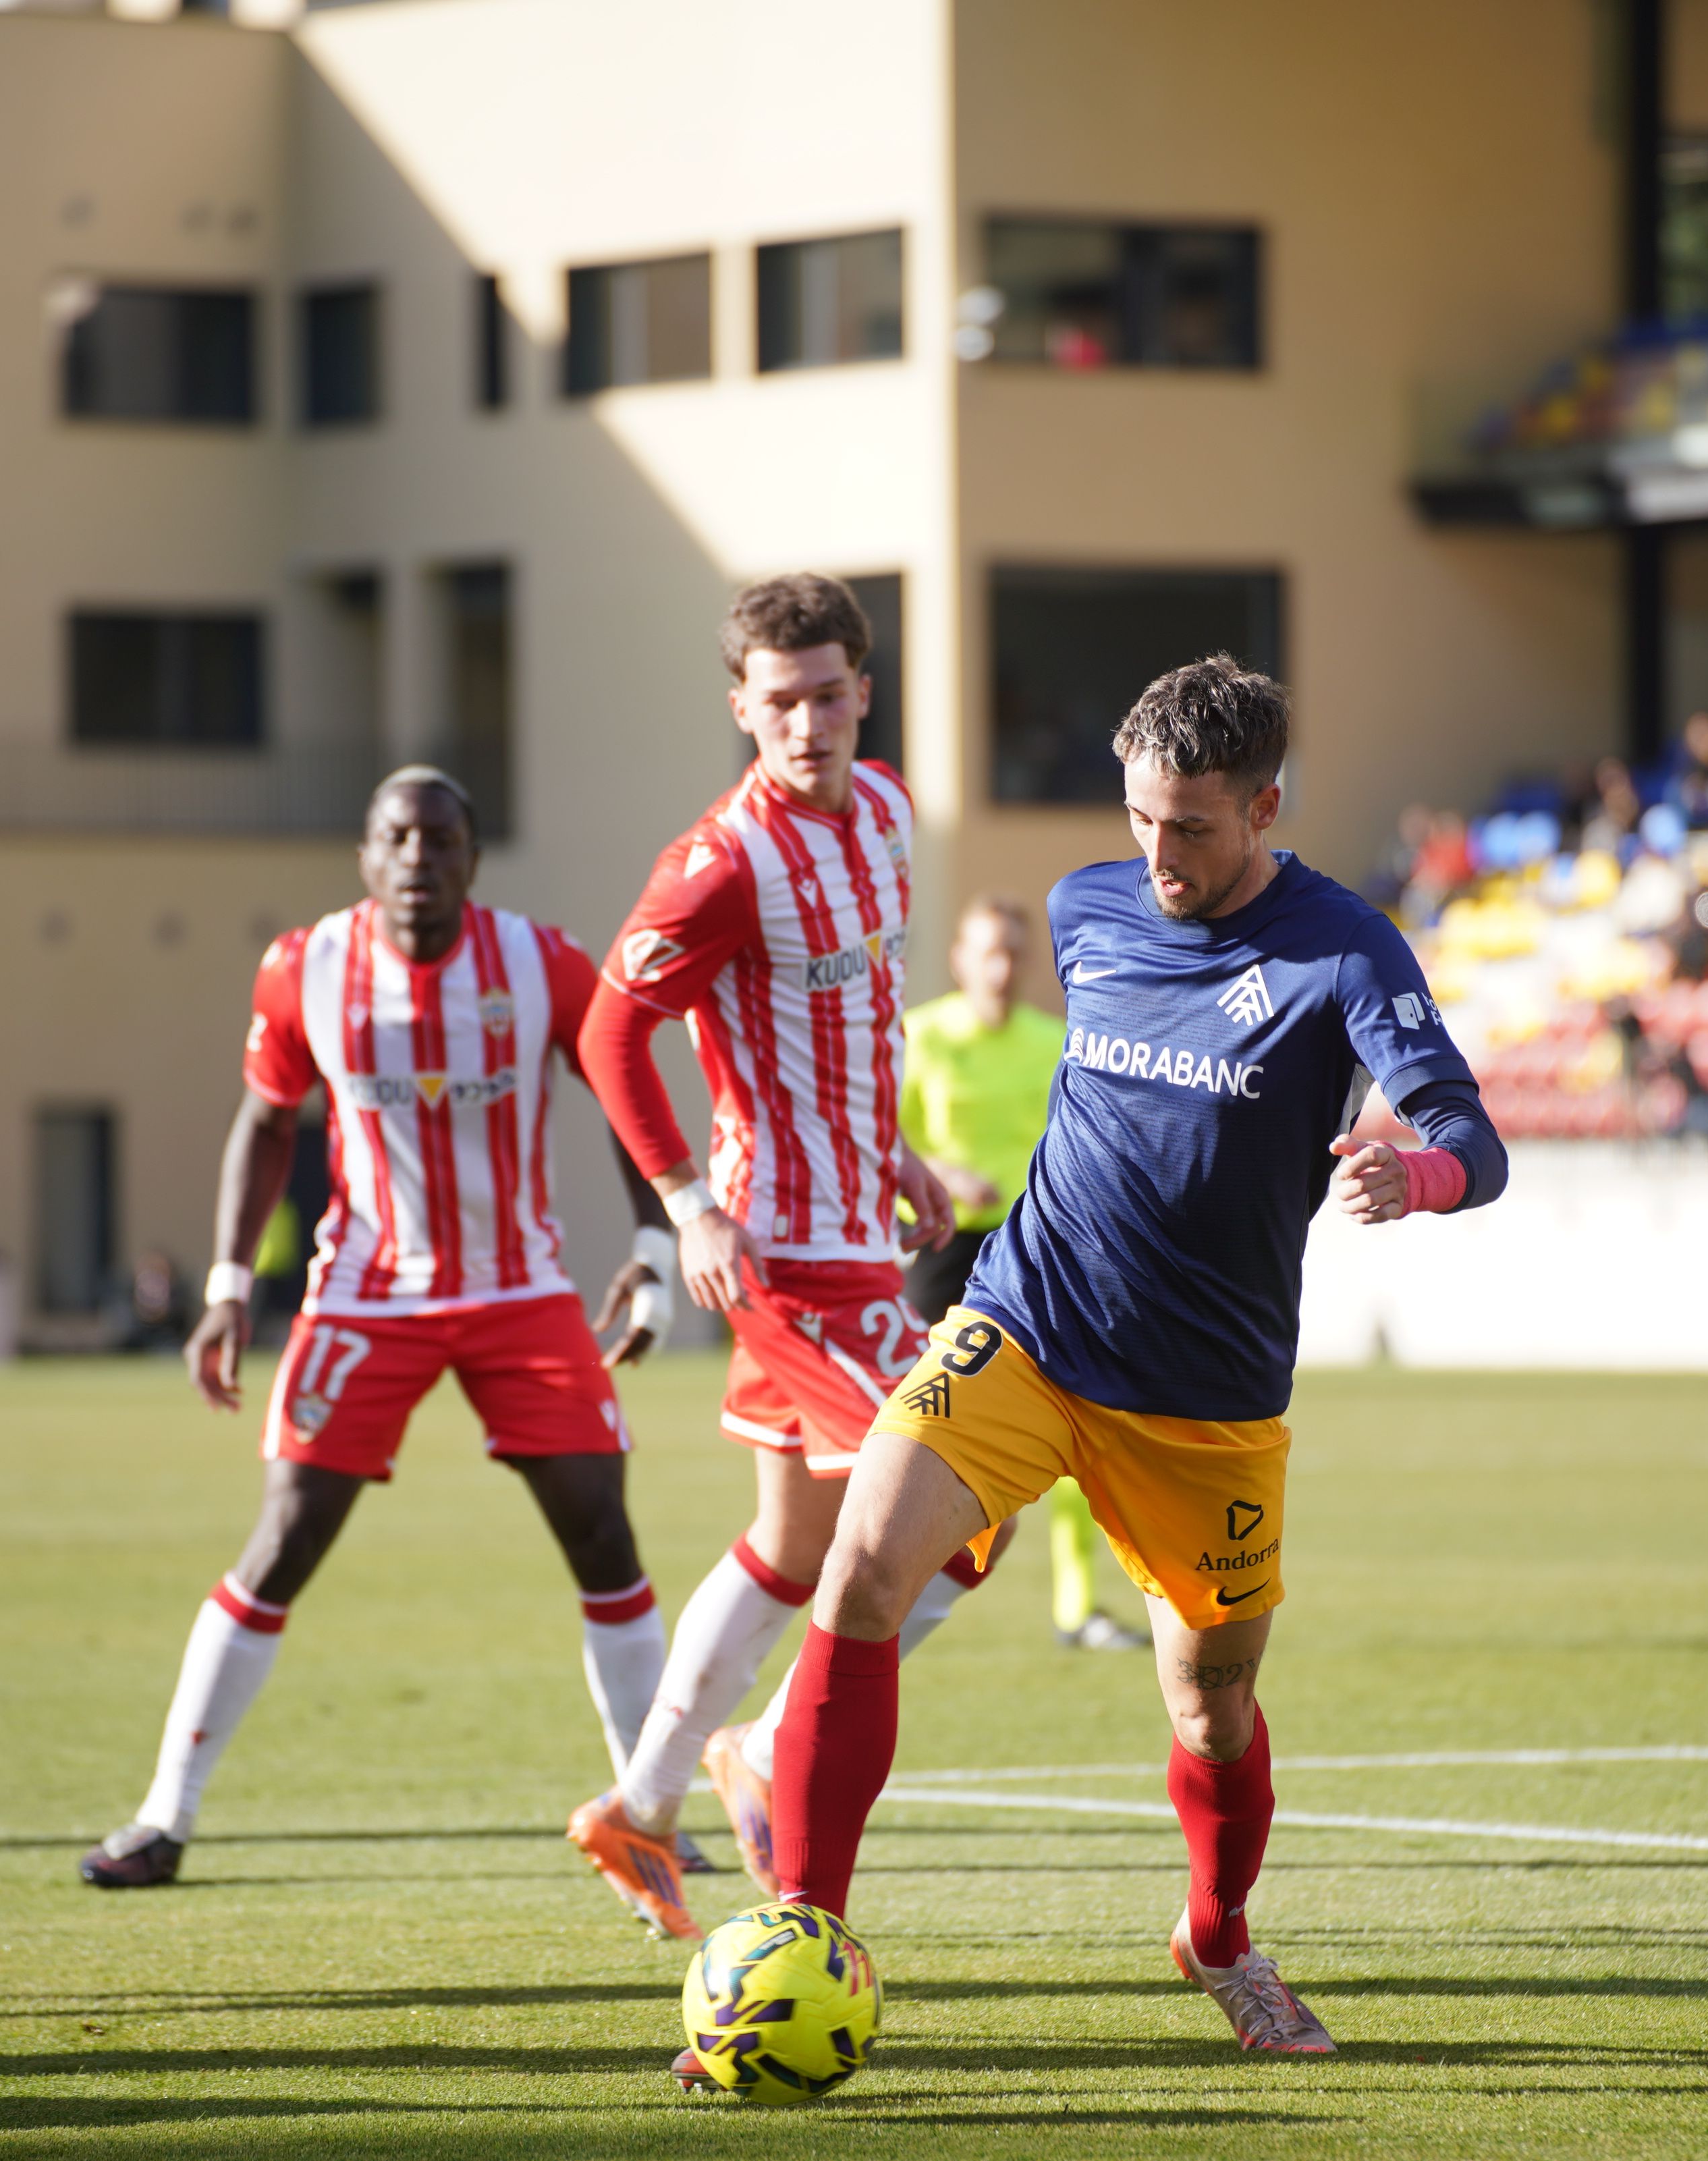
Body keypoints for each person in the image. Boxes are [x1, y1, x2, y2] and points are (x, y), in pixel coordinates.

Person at [748, 654, 1508, 2067]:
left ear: (1266, 803)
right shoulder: (1084, 906)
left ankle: (1218, 1935)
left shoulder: (1346, 948)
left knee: (1209, 1703)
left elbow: (1474, 1131)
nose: (1156, 854)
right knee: (856, 1566)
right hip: (1025, 1320)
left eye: (1194, 826)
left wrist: (1423, 1173)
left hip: (1202, 1401)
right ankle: (798, 1942)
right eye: (1141, 817)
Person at [78, 769, 684, 1890]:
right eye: (396, 837)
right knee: (284, 1537)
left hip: (517, 1288)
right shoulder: (302, 967)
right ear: (364, 854)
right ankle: (164, 1816)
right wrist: (222, 1282)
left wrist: (654, 1252)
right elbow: (264, 1118)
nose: (418, 856)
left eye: (441, 838)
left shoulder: (538, 963)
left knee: (602, 1527)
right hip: (365, 1293)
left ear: (470, 858)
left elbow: (617, 1077)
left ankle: (649, 1806)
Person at [562, 573, 983, 1940]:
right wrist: (686, 1199)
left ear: (865, 688)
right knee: (964, 1510)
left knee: (793, 1544)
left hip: (864, 1219)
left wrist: (899, 1150)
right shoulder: (720, 862)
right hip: (786, 1258)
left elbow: (856, 1013)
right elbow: (609, 1035)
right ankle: (757, 1750)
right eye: (777, 700)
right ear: (739, 705)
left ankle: (640, 1799)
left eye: (826, 693)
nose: (804, 722)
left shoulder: (889, 812)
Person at [900, 893, 1144, 1652]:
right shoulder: (920, 1038)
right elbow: (878, 1142)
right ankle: (895, 1574)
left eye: (1012, 953)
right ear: (959, 960)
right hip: (941, 1249)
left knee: (1075, 1427)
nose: (1000, 968)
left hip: (1038, 1249)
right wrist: (937, 1171)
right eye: (986, 953)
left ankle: (1077, 1609)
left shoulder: (1056, 1038)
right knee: (915, 1431)